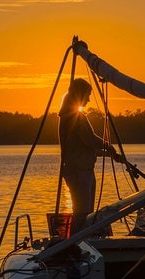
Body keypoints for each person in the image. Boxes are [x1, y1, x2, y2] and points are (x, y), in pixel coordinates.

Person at [58, 78, 123, 236]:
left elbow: (85, 147)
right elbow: (90, 140)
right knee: (82, 213)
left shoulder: (71, 116)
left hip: (82, 170)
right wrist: (109, 146)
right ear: (80, 94)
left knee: (85, 212)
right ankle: (75, 242)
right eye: (87, 95)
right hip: (79, 172)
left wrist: (110, 154)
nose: (88, 99)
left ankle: (81, 240)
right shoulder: (74, 116)